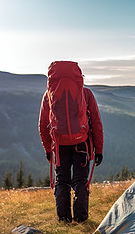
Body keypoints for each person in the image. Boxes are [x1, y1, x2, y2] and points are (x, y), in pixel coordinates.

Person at [38, 61, 103, 223]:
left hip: (59, 145)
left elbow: (42, 125)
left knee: (62, 181)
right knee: (80, 181)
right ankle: (81, 218)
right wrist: (99, 149)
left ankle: (64, 218)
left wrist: (48, 149)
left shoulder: (48, 95)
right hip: (82, 144)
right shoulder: (86, 93)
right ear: (79, 77)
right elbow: (96, 122)